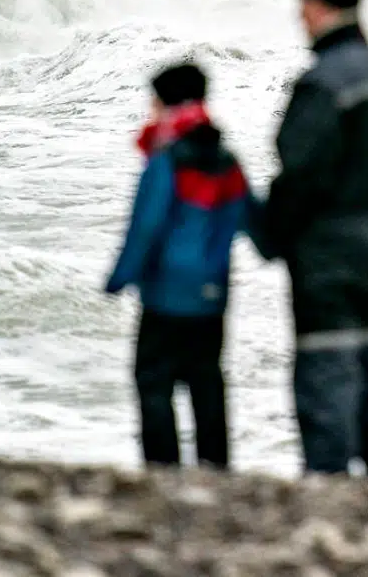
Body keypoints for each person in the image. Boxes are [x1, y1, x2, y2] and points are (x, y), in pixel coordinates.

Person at [265, 0, 368, 480]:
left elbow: (300, 166)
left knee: (326, 365)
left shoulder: (323, 81)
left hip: (328, 242)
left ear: (317, 8)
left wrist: (273, 230)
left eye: (302, 11)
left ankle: (329, 488)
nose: (300, 22)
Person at [103, 60, 271, 470]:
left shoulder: (166, 160)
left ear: (163, 104)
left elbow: (146, 226)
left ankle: (164, 471)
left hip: (166, 294)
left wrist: (119, 278)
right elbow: (253, 221)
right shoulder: (226, 159)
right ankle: (215, 470)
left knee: (153, 382)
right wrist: (279, 247)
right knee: (206, 381)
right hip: (212, 294)